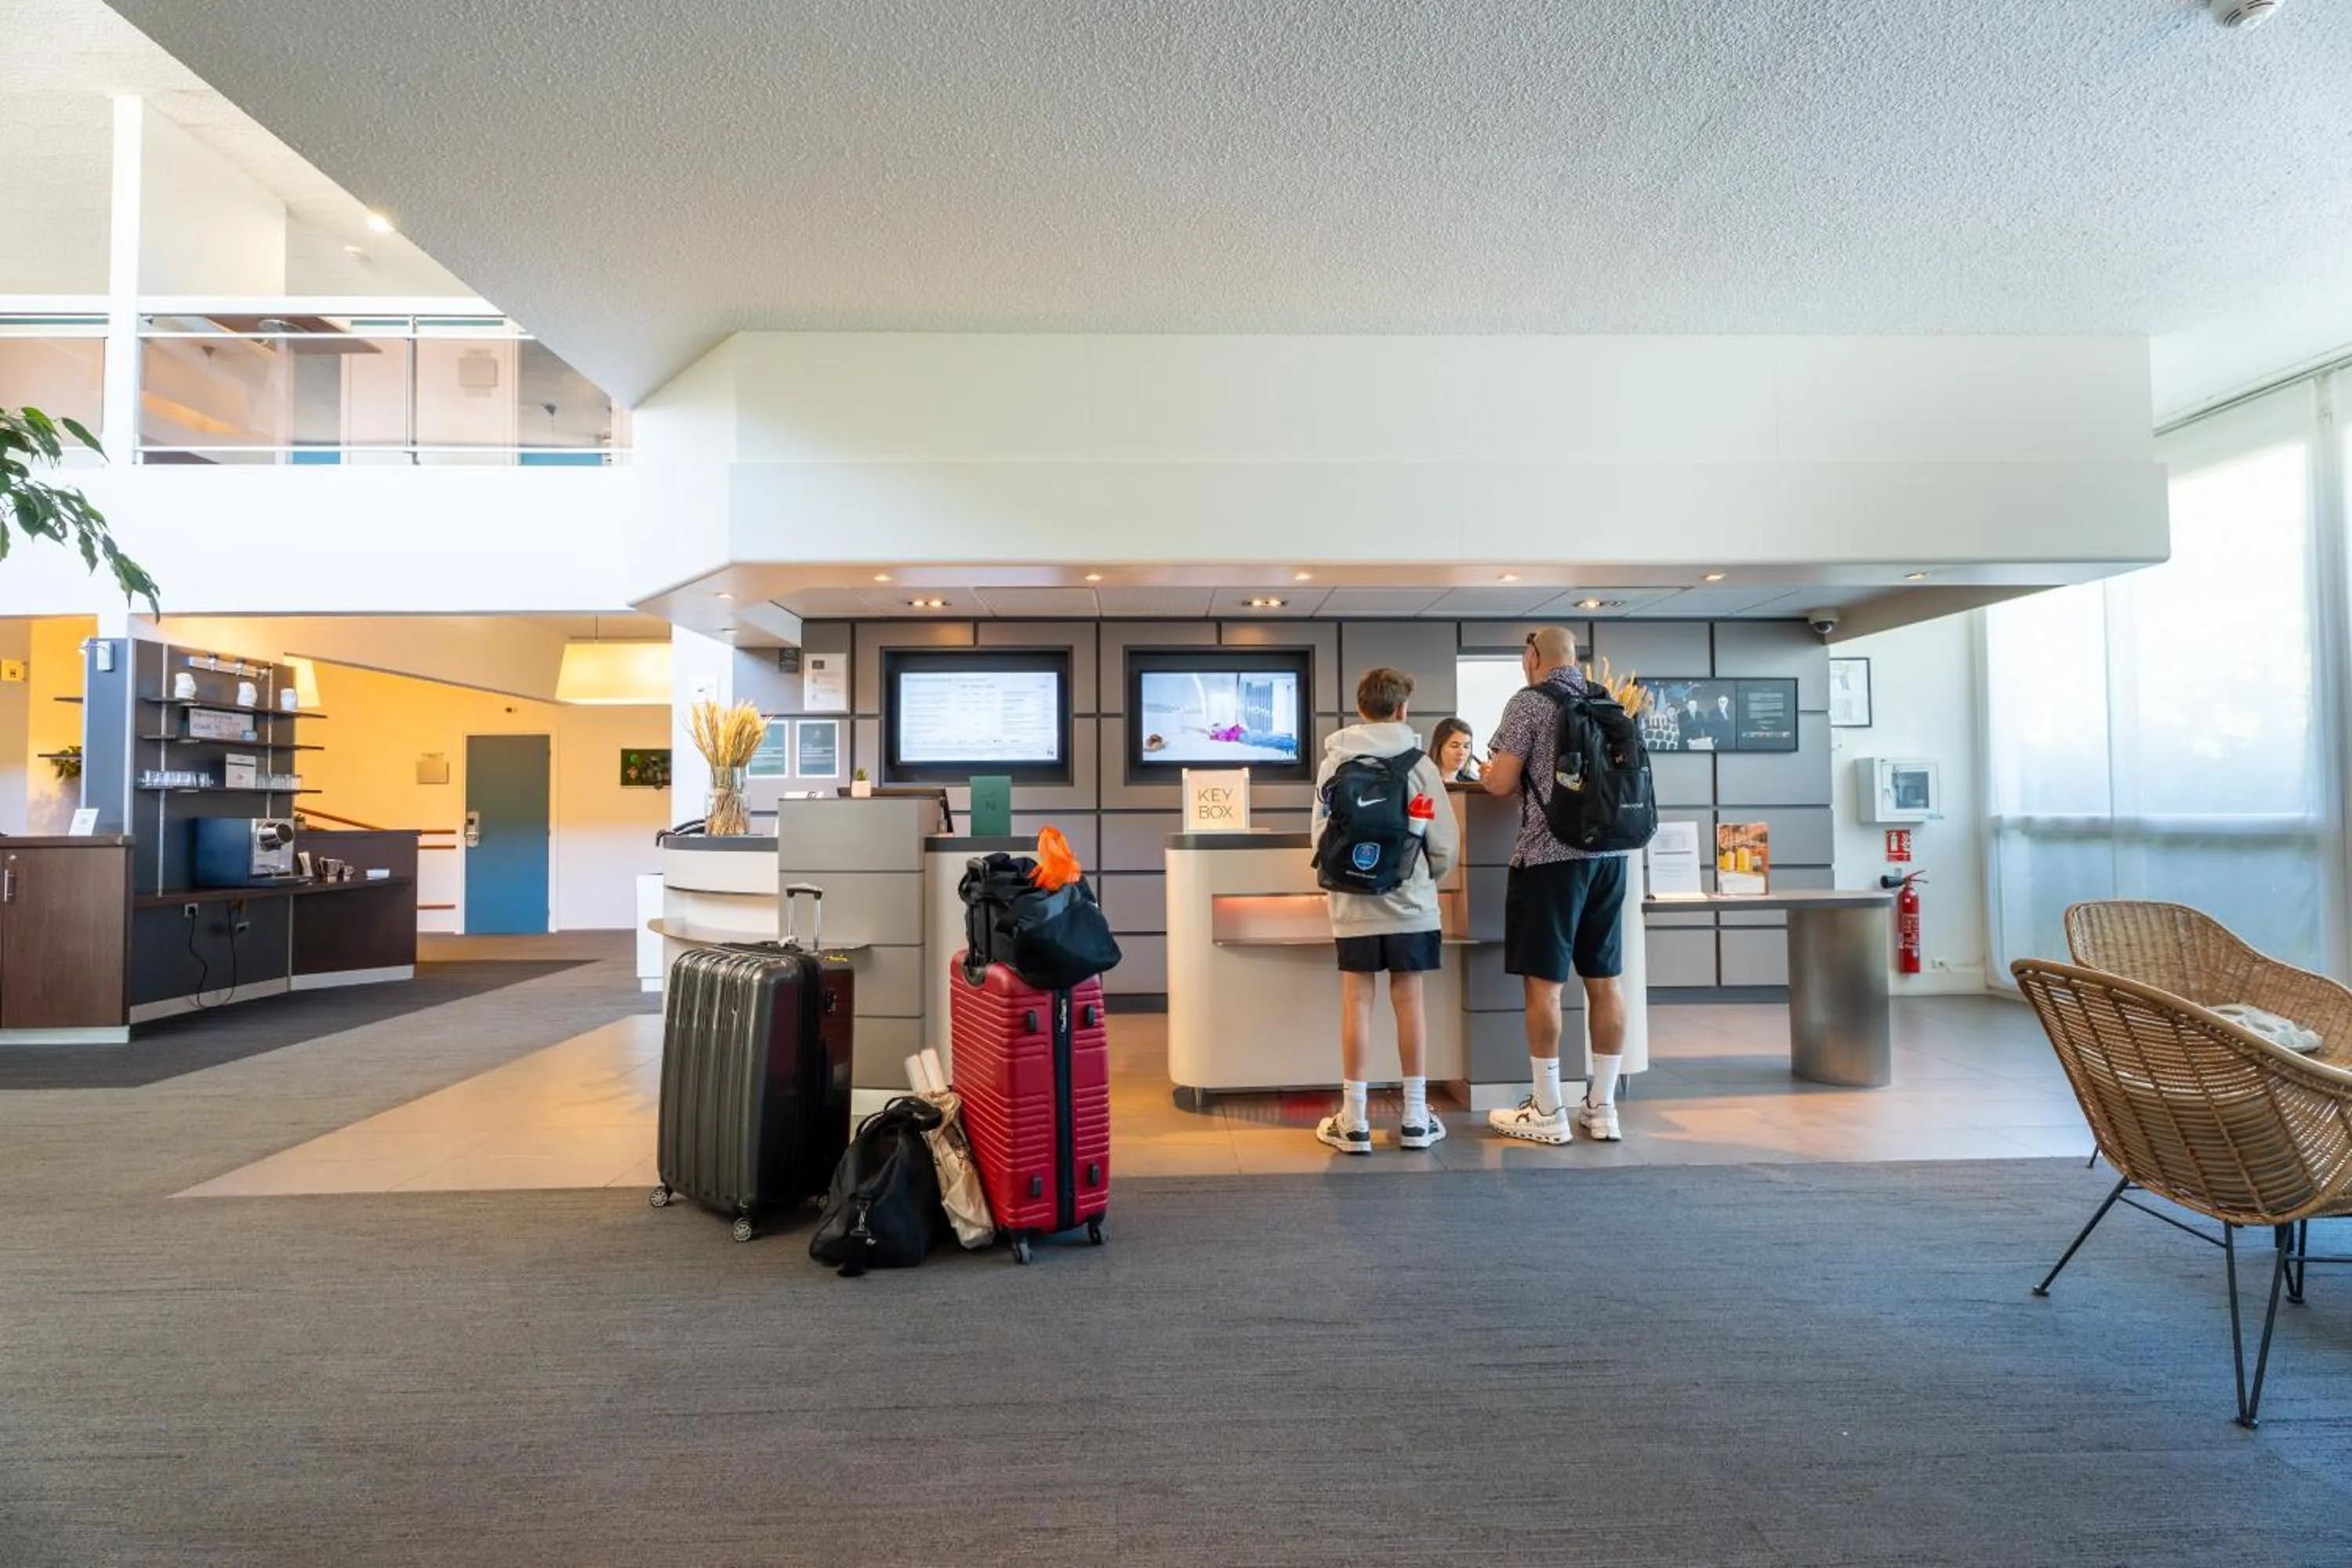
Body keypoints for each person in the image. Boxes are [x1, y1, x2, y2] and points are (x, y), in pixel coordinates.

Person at [1475, 626, 1632, 1143]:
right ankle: (1603, 1106)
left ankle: (1547, 1107)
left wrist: (1487, 776)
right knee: (1605, 981)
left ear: (1533, 656)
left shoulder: (1529, 702)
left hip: (1548, 859)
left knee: (1544, 986)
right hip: (1608, 859)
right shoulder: (1606, 699)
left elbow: (1499, 782)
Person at [1310, 667, 1461, 1154]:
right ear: (1402, 709)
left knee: (1357, 1000)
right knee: (1409, 1000)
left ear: (1360, 708)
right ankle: (1415, 1117)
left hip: (1352, 905)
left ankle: (1354, 1121)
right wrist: (1418, 880)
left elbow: (1319, 838)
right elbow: (1445, 844)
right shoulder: (1421, 764)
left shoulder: (1334, 761)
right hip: (1411, 904)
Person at [1432, 716, 1479, 782]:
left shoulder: (1473, 785)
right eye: (1455, 746)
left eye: (1466, 747)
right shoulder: (1421, 784)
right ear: (1439, 747)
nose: (1462, 752)